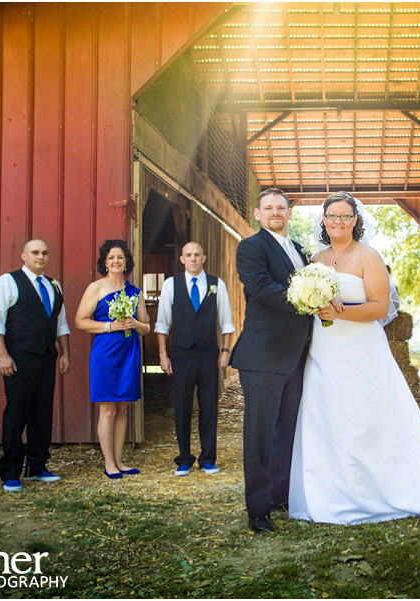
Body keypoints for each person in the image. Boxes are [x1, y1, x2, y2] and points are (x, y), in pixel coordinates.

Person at [288, 191, 420, 525]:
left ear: (355, 220)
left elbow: (379, 309)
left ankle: (378, 488)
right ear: (323, 220)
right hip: (325, 349)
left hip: (361, 350)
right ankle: (330, 493)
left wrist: (341, 313)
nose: (338, 222)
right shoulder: (315, 260)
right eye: (332, 216)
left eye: (345, 215)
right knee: (327, 416)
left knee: (365, 418)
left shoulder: (367, 257)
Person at [231, 188, 313, 533]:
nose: (275, 212)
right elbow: (261, 287)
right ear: (258, 213)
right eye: (269, 208)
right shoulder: (251, 247)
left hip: (296, 354)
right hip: (263, 354)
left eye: (281, 207)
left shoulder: (299, 251)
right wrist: (308, 300)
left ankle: (280, 495)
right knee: (261, 434)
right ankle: (258, 510)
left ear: (289, 213)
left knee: (286, 430)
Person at [0, 239, 71, 492]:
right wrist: (3, 355)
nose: (40, 257)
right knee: (17, 413)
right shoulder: (7, 282)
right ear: (24, 256)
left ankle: (37, 467)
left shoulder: (54, 286)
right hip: (18, 358)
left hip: (46, 358)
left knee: (42, 413)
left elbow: (61, 323)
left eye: (45, 253)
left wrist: (65, 353)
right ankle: (10, 472)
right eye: (35, 252)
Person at [156, 241, 235, 476]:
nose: (192, 259)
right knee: (181, 406)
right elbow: (162, 323)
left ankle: (208, 458)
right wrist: (163, 355)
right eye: (188, 255)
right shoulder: (171, 285)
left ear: (204, 258)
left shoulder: (216, 284)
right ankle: (184, 458)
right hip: (182, 353)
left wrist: (225, 353)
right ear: (182, 259)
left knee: (209, 405)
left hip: (209, 353)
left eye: (196, 255)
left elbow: (226, 322)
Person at [75, 240, 150, 479]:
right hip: (106, 353)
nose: (116, 261)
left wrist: (136, 324)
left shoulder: (134, 292)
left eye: (120, 257)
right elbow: (80, 321)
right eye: (111, 258)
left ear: (126, 261)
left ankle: (119, 460)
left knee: (123, 410)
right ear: (105, 262)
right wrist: (109, 325)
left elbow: (147, 328)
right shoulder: (96, 288)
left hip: (129, 353)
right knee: (107, 409)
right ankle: (108, 463)